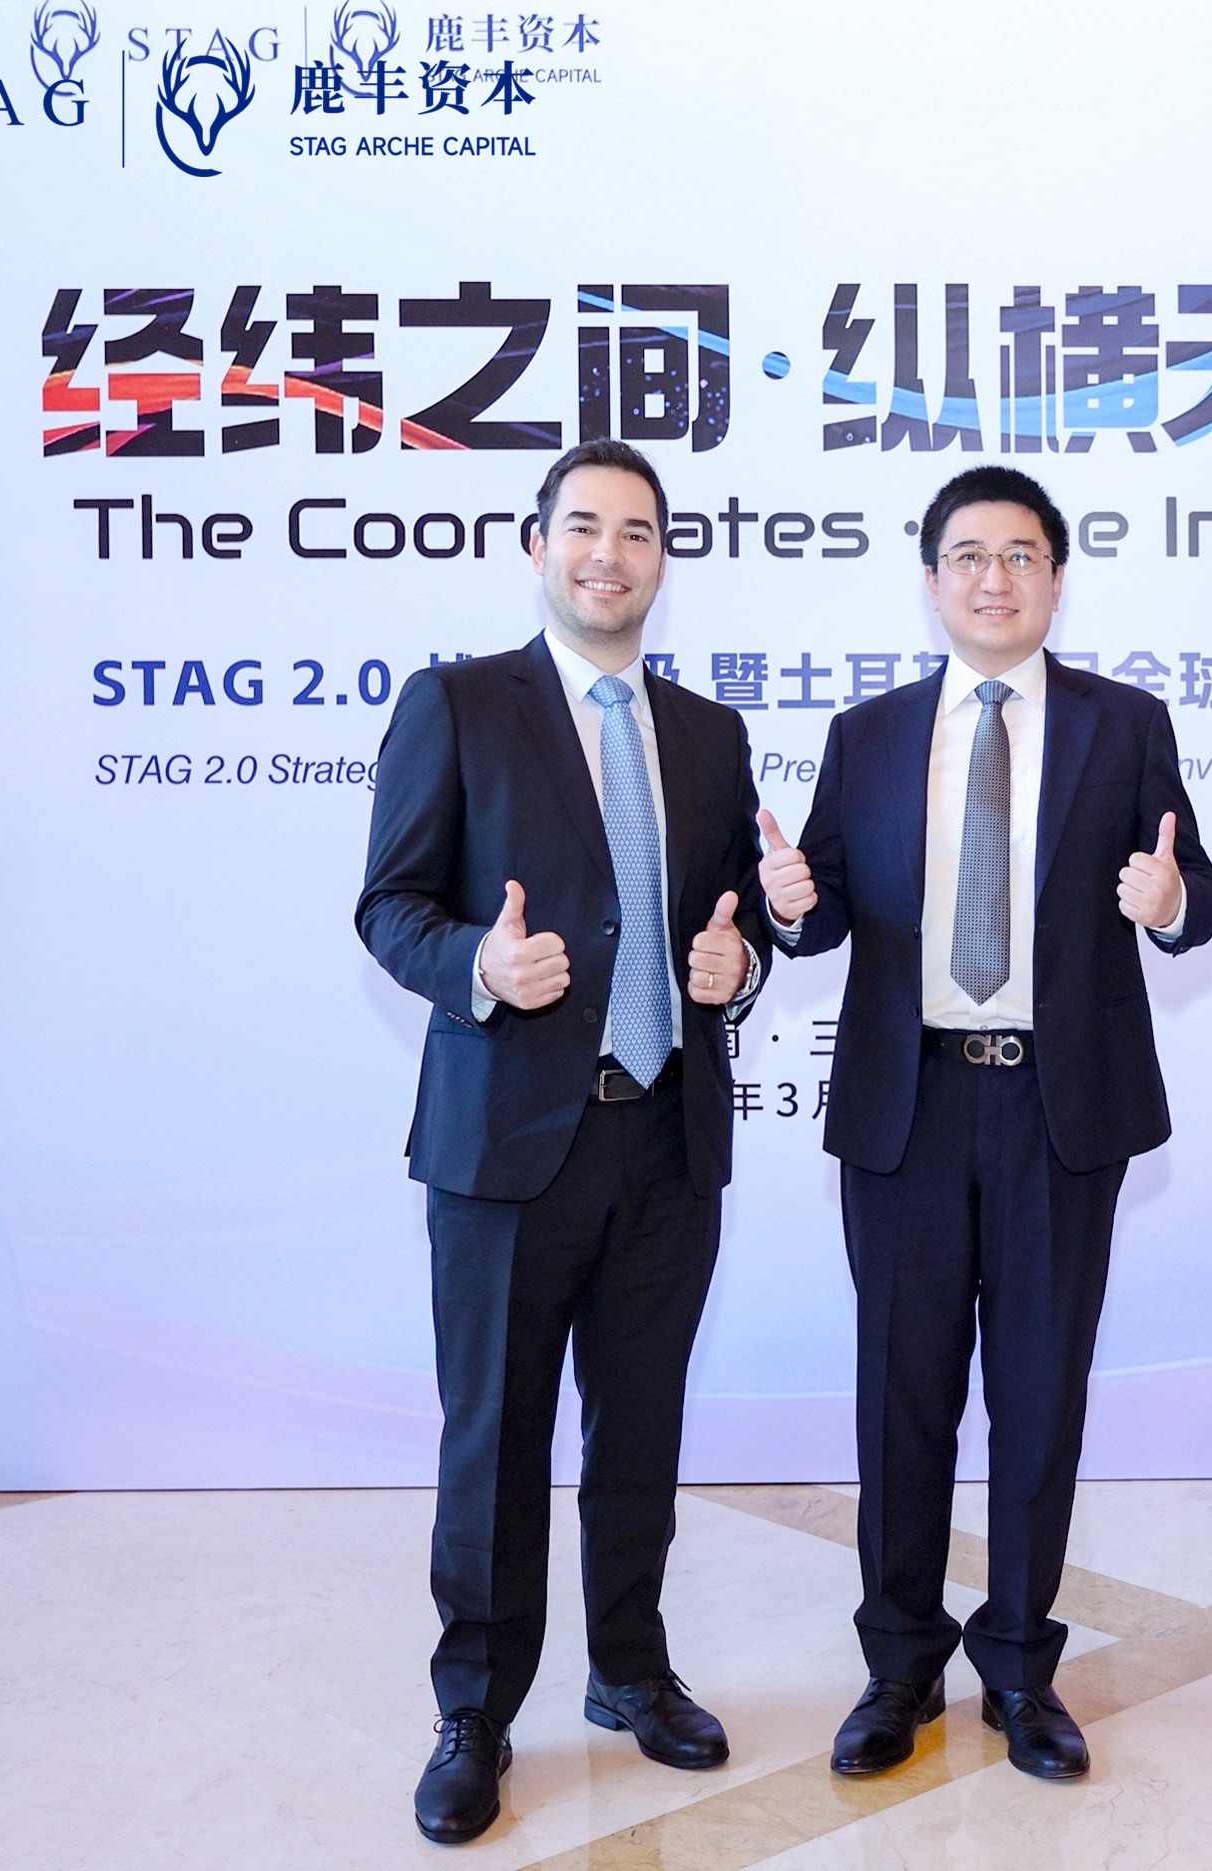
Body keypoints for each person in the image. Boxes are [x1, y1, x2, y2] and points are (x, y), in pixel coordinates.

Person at [757, 465, 1212, 1781]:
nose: (993, 578)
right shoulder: (868, 734)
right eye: (968, 555)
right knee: (900, 1398)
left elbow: (1196, 895)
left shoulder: (1124, 724)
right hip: (907, 1106)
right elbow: (820, 912)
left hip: (1055, 1109)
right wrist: (789, 901)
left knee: (1037, 1394)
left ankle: (1019, 1664)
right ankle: (898, 1667)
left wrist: (1170, 903)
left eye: (1020, 555)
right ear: (931, 582)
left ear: (1056, 579)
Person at [356, 439, 771, 1845]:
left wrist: (736, 971)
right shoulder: (458, 704)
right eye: (583, 526)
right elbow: (390, 906)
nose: (610, 553)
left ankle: (630, 1670)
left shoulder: (709, 735)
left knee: (639, 1426)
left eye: (637, 531)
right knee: (494, 1435)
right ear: (537, 546)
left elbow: (735, 928)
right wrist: (480, 964)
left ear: (663, 560)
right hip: (505, 1145)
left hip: (666, 1136)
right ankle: (475, 1710)